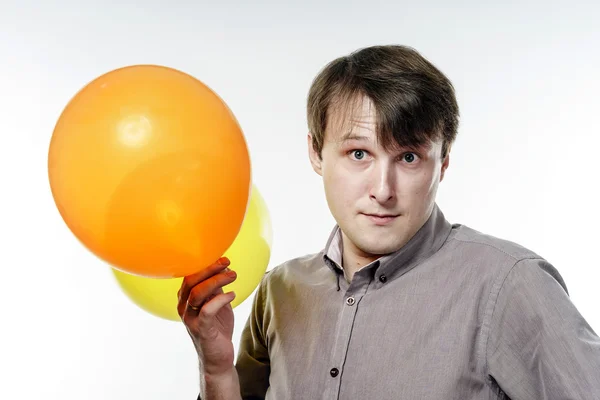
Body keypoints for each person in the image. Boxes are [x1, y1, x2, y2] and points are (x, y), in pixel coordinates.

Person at [177, 45, 600, 399]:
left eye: (409, 157)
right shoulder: (280, 290)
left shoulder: (509, 285)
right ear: (316, 152)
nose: (383, 189)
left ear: (443, 164)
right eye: (359, 154)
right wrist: (215, 370)